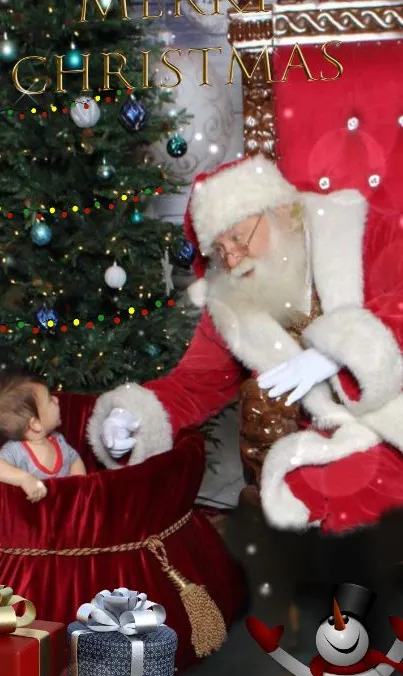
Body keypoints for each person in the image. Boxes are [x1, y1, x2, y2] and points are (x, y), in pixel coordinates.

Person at [86, 154, 403, 635]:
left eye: (239, 237)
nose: (232, 258)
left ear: (280, 210)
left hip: (392, 408)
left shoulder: (355, 228)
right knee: (329, 493)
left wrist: (344, 351)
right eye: (219, 250)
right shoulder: (230, 303)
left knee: (362, 499)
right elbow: (194, 383)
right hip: (328, 438)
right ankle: (357, 648)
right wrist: (132, 414)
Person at [0, 371, 86, 502]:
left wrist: (80, 486)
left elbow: (73, 459)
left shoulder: (58, 440)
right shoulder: (16, 450)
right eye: (50, 399)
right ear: (35, 424)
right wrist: (23, 478)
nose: (56, 400)